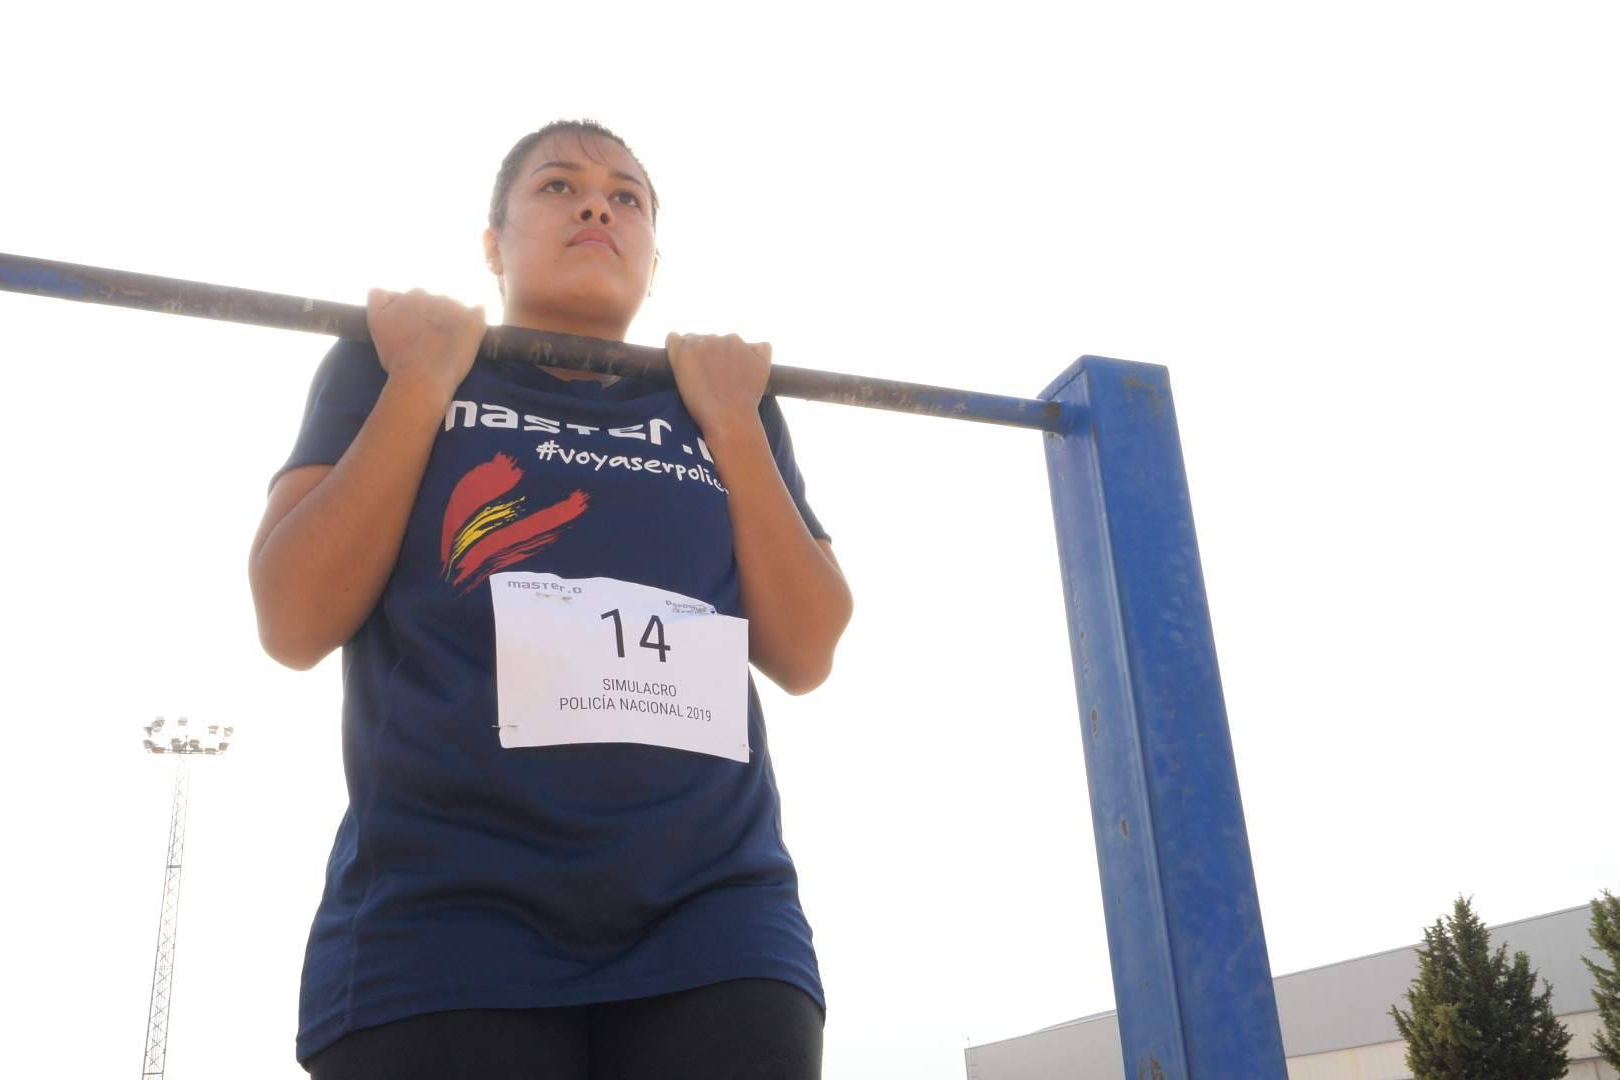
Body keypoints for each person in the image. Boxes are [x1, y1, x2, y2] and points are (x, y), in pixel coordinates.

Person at [248, 118, 853, 1080]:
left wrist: (735, 423)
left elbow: (807, 651)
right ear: (493, 245)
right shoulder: (387, 359)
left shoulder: (727, 401)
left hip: (716, 921)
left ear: (654, 258)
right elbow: (293, 620)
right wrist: (422, 380)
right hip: (443, 924)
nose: (597, 208)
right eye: (559, 186)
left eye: (627, 198)